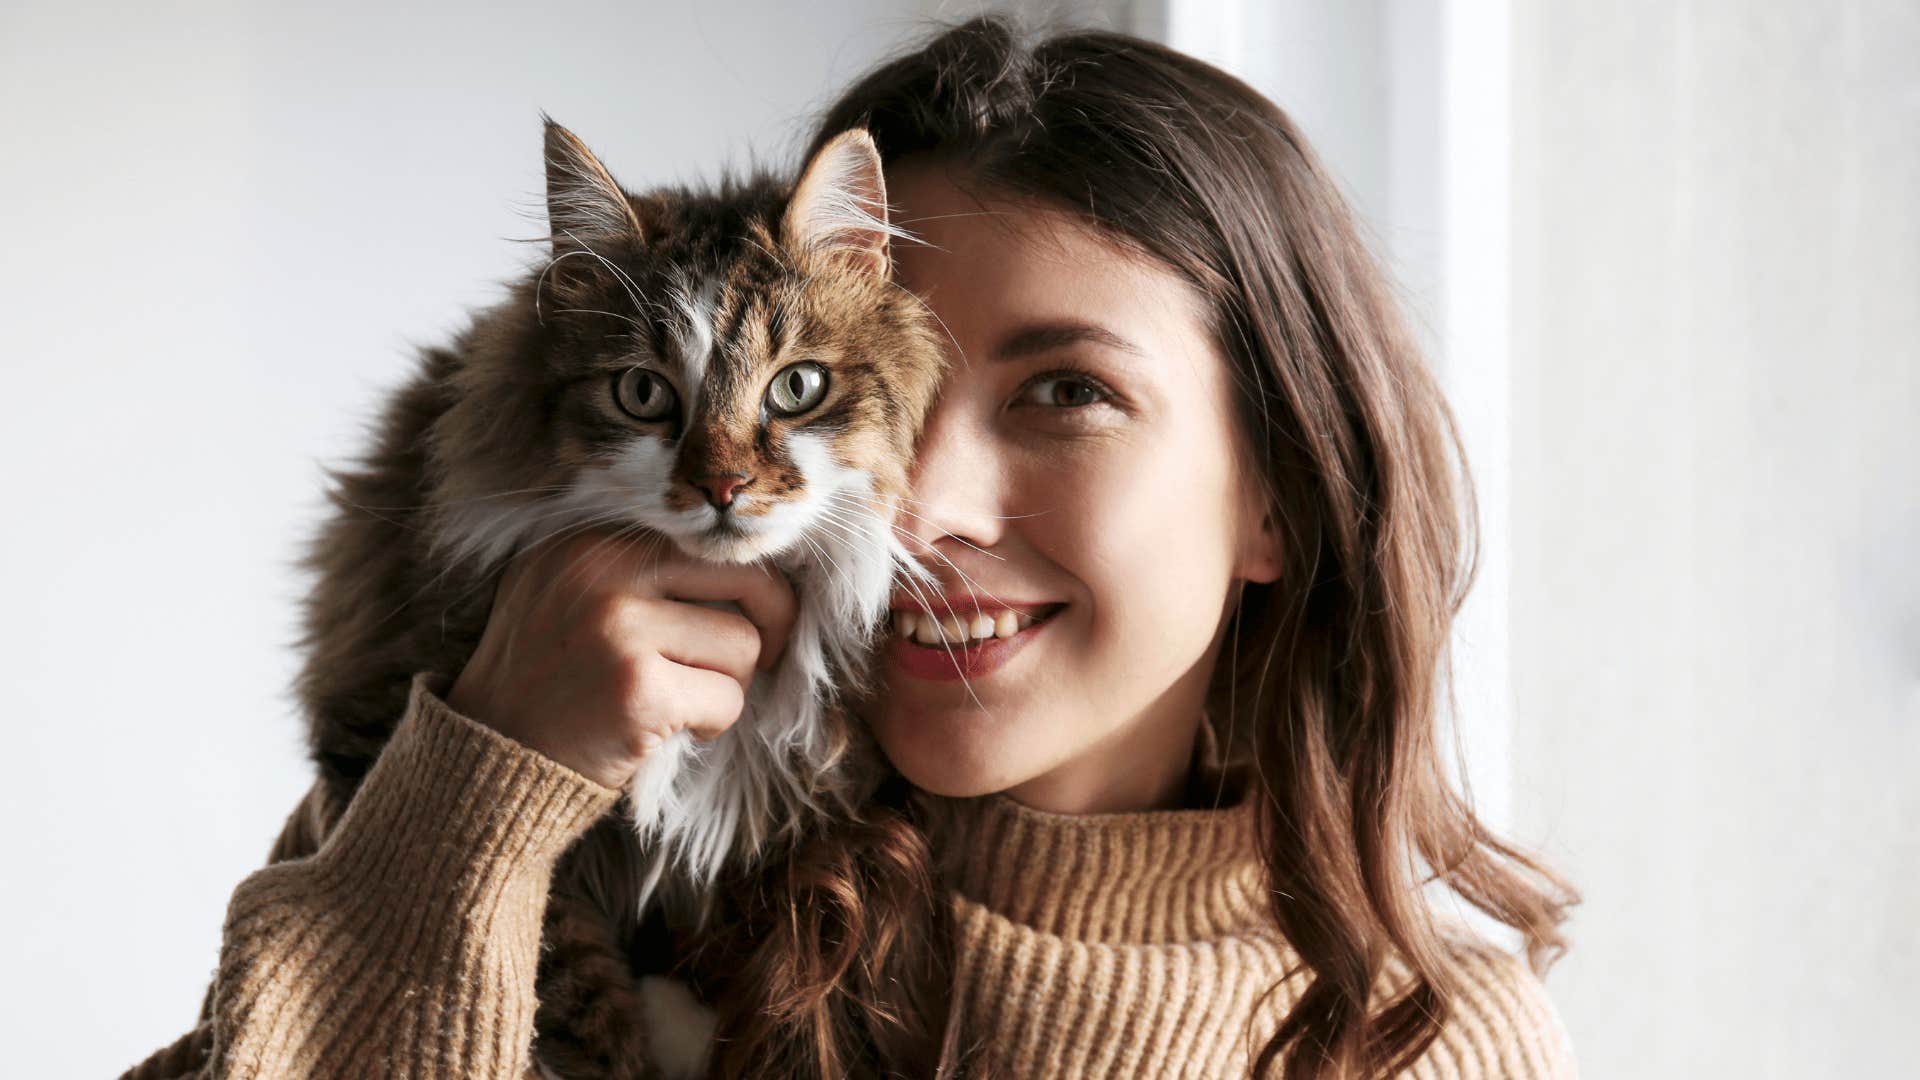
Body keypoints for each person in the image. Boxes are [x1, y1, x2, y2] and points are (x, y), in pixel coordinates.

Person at [123, 16, 1577, 1080]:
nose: (920, 507)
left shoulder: (1434, 1043)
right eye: (912, 397)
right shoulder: (527, 823)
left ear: (1282, 493)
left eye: (1065, 394)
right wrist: (481, 786)